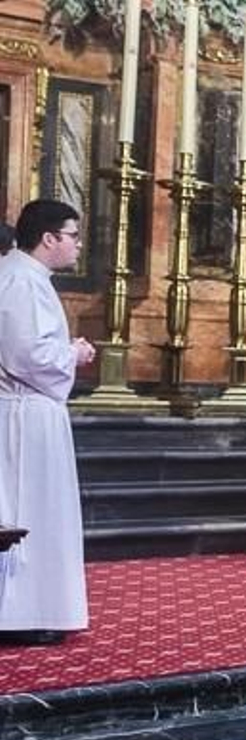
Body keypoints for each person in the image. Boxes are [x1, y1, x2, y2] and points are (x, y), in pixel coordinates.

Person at [0, 200, 95, 645]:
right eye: (73, 235)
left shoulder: (26, 276)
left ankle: (32, 609)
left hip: (32, 410)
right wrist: (71, 354)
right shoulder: (20, 279)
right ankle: (21, 611)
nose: (78, 244)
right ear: (49, 238)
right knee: (25, 507)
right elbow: (27, 355)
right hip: (24, 413)